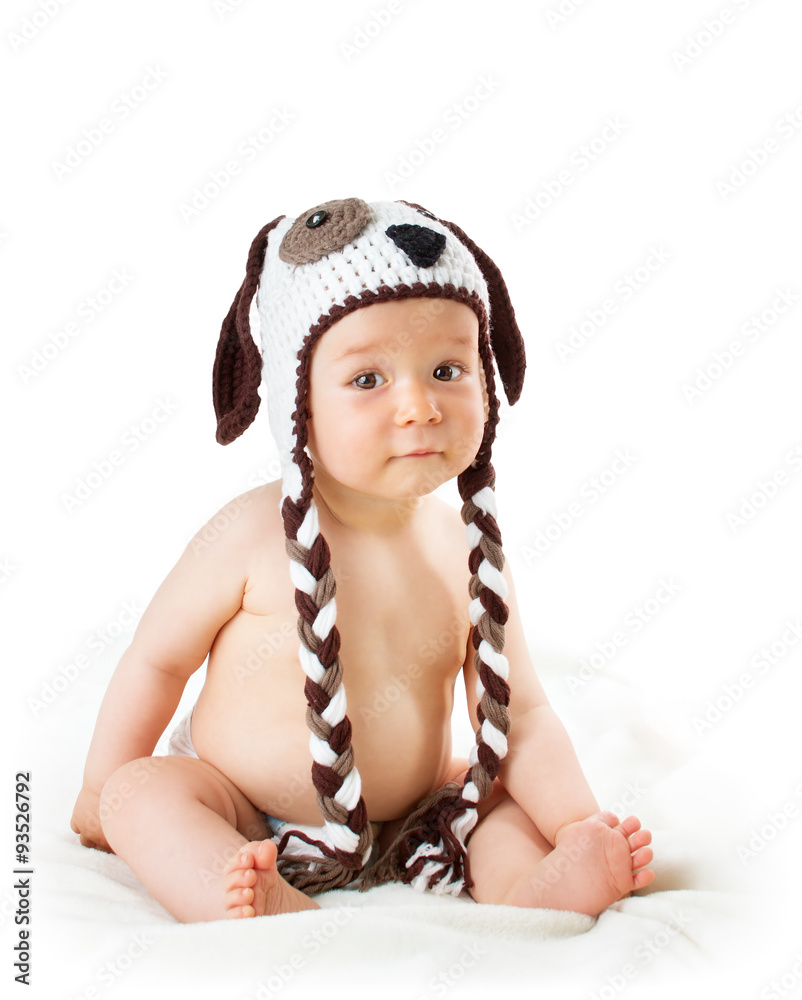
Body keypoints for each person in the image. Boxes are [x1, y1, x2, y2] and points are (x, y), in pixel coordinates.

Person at [70, 197, 654, 924]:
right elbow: (156, 661)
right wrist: (101, 789)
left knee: (500, 795)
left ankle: (534, 889)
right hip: (243, 806)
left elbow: (521, 711)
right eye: (369, 380)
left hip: (411, 817)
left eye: (447, 369)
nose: (419, 407)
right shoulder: (249, 534)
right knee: (141, 796)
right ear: (298, 405)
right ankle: (245, 894)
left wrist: (574, 820)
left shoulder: (461, 551)